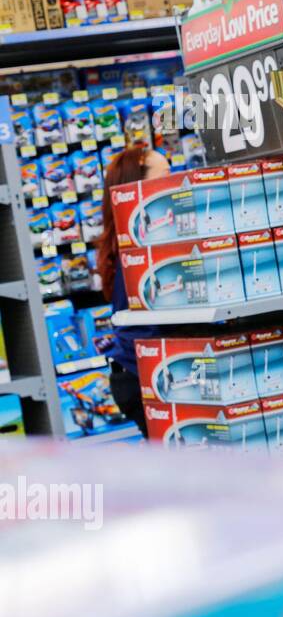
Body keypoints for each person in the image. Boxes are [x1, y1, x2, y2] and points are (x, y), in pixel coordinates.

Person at [96, 144, 170, 436]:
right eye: (165, 175)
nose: (174, 182)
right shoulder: (138, 246)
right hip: (144, 374)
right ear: (136, 186)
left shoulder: (126, 240)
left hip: (135, 373)